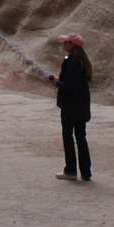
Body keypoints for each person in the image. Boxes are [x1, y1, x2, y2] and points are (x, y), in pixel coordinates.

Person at [48, 33, 92, 181]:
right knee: (81, 138)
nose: (63, 44)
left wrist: (57, 83)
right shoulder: (82, 61)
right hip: (82, 105)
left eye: (65, 42)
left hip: (70, 106)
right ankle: (86, 172)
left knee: (68, 137)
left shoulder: (70, 61)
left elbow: (69, 86)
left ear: (72, 45)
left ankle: (71, 170)